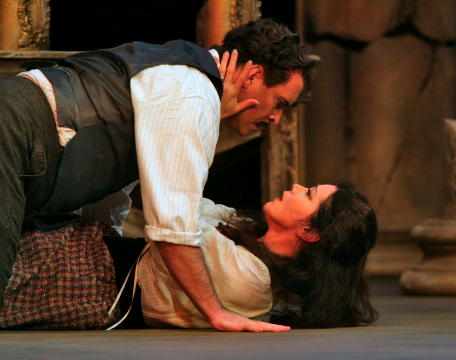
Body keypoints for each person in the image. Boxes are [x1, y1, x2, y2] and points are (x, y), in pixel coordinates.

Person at [0, 18, 316, 332]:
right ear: (254, 75)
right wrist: (216, 312)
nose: (276, 118)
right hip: (15, 129)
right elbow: (172, 223)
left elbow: (114, 170)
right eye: (280, 103)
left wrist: (99, 241)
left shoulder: (184, 79)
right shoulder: (193, 92)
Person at [0, 182, 378, 329]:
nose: (295, 186)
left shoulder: (254, 283)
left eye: (308, 194)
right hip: (80, 253)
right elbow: (196, 206)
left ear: (310, 232)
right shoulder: (249, 242)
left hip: (76, 282)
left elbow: (176, 211)